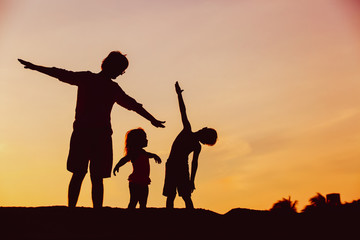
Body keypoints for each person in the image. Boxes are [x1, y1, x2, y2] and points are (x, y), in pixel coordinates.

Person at [18, 51, 165, 208]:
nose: (121, 74)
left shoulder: (94, 81)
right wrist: (152, 119)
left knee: (83, 175)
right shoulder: (104, 85)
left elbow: (60, 74)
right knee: (92, 176)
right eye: (121, 69)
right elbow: (61, 74)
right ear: (112, 66)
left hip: (88, 134)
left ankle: (79, 209)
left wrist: (152, 119)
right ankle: (89, 210)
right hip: (94, 135)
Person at [163, 82, 217, 209]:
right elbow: (183, 111)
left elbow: (194, 163)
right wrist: (179, 95)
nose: (203, 130)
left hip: (179, 167)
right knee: (174, 196)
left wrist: (192, 180)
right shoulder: (189, 134)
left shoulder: (191, 137)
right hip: (174, 165)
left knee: (182, 196)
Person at [113, 128, 161, 209]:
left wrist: (155, 156)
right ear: (137, 141)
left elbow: (149, 154)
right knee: (134, 201)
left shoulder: (143, 152)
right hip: (136, 182)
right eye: (144, 138)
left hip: (144, 181)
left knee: (143, 202)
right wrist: (117, 166)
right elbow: (125, 159)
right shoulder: (134, 153)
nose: (146, 140)